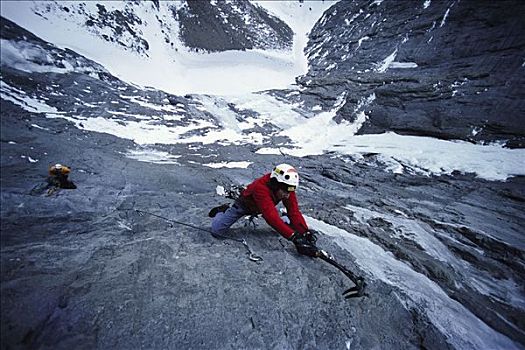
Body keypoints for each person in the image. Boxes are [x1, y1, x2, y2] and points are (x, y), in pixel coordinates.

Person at [209, 163, 318, 256]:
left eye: (291, 191)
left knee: (293, 224)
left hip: (261, 208)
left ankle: (285, 222)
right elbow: (271, 218)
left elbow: (293, 211)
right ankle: (222, 211)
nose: (288, 195)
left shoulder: (287, 186)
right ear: (276, 184)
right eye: (285, 191)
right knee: (216, 231)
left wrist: (305, 232)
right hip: (243, 206)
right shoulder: (260, 188)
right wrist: (293, 236)